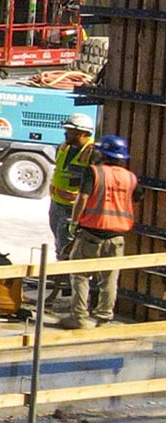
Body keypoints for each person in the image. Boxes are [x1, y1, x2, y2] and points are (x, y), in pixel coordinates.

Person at [65, 133, 136, 329]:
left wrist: (74, 221)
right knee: (109, 279)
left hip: (91, 234)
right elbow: (136, 197)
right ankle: (104, 317)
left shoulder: (94, 172)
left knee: (79, 274)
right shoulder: (130, 177)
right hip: (117, 237)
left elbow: (82, 198)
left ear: (103, 154)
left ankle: (79, 317)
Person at [47, 112, 97, 262]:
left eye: (70, 130)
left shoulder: (91, 151)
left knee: (68, 244)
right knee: (59, 242)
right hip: (56, 203)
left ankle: (66, 279)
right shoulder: (64, 147)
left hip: (72, 207)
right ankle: (60, 272)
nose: (65, 133)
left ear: (82, 133)